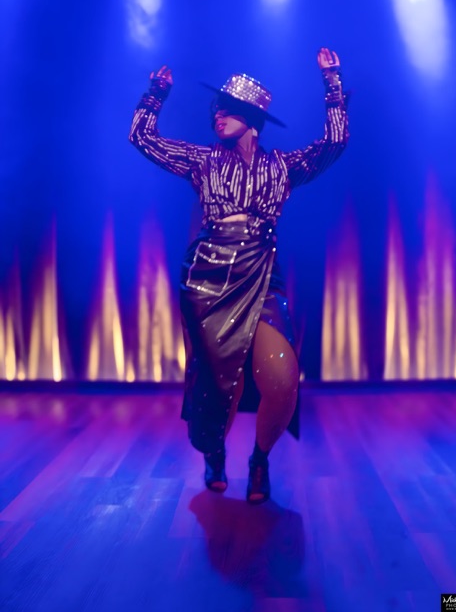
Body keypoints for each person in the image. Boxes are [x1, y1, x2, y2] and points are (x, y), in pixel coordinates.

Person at [129, 48, 349, 503]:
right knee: (218, 384)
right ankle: (214, 452)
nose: (218, 115)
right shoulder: (203, 160)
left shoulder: (281, 167)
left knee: (283, 379)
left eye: (229, 109)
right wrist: (156, 93)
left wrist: (332, 82)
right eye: (216, 109)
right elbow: (142, 138)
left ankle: (259, 460)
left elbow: (334, 142)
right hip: (208, 280)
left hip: (263, 276)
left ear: (254, 119)